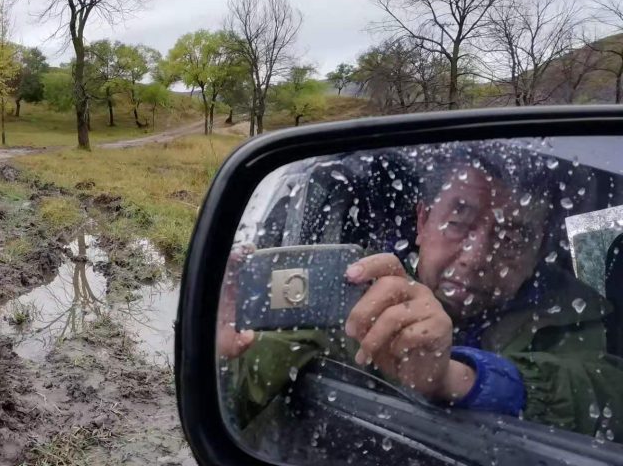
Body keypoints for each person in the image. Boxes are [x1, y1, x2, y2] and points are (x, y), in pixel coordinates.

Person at [220, 144, 623, 442]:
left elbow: (607, 396)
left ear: (540, 251)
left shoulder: (580, 316)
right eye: (459, 219)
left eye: (514, 236)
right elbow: (234, 397)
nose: (477, 256)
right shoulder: (351, 299)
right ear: (423, 220)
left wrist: (457, 377)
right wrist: (217, 350)